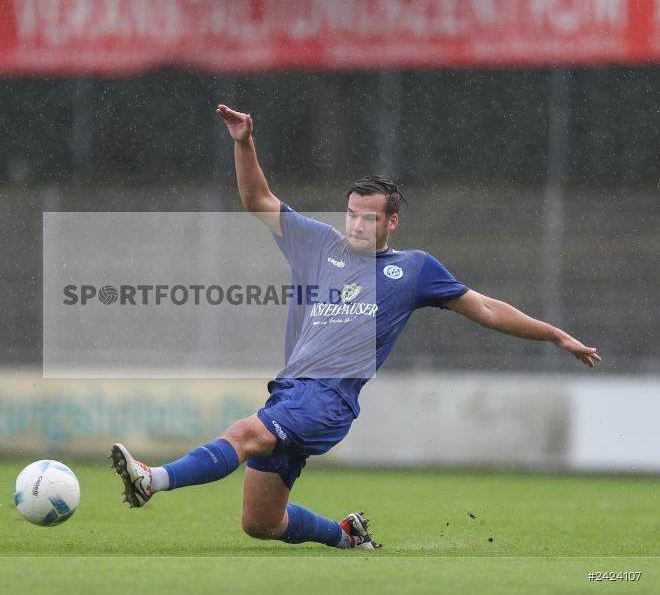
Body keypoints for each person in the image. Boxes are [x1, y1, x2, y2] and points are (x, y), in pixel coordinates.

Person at [111, 104, 602, 550]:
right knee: (261, 523)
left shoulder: (414, 269)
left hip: (329, 399)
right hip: (289, 394)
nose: (356, 225)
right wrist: (244, 142)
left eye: (368, 219)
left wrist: (555, 334)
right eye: (350, 215)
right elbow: (257, 198)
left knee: (242, 434)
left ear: (391, 223)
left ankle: (153, 479)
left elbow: (489, 309)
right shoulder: (317, 244)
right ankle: (347, 538)